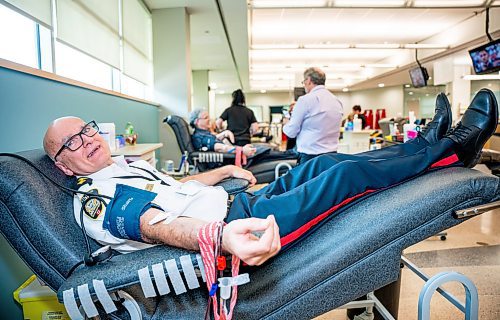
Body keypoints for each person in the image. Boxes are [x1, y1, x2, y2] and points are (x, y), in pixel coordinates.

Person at [42, 89, 498, 267]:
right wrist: (221, 237)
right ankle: (453, 149)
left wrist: (224, 170)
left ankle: (426, 144)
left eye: (85, 130)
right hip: (241, 227)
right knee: (349, 176)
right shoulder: (94, 201)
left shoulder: (122, 165)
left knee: (324, 163)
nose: (85, 141)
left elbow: (177, 190)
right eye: (72, 144)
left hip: (239, 203)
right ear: (62, 166)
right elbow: (155, 224)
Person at [282, 67, 343, 165]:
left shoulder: (305, 100)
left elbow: (291, 132)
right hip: (332, 157)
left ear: (309, 80)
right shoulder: (336, 101)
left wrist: (286, 124)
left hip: (310, 158)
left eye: (304, 82)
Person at [190, 108, 256, 157]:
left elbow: (214, 139)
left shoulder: (205, 134)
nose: (209, 119)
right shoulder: (200, 137)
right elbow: (221, 148)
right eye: (206, 118)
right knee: (262, 150)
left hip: (233, 156)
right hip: (226, 162)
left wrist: (224, 134)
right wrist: (242, 150)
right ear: (197, 121)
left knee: (261, 149)